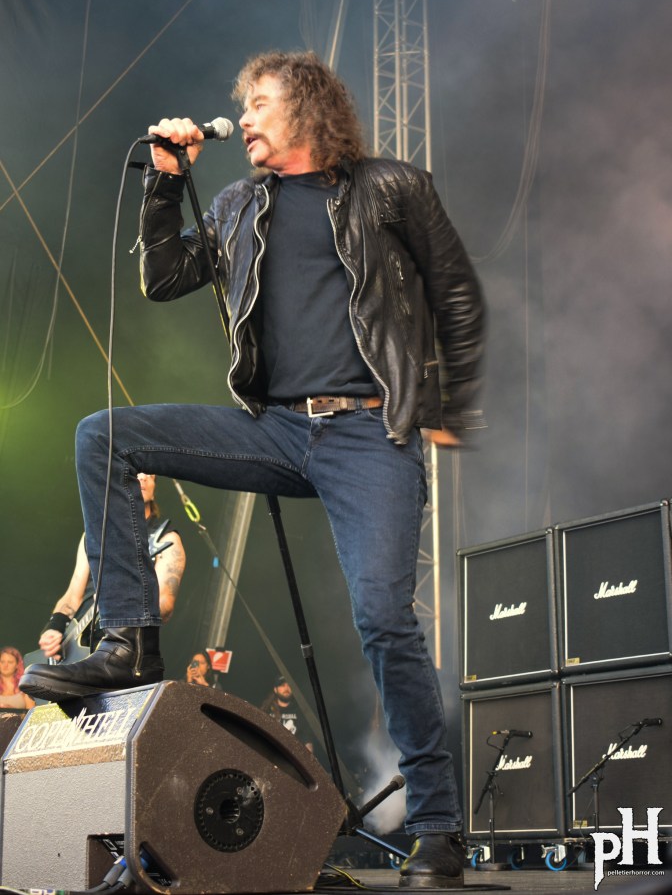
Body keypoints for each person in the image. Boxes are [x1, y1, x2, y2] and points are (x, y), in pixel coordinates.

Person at [21, 50, 485, 888]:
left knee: (385, 618)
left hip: (369, 431)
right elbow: (164, 277)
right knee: (105, 435)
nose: (244, 118)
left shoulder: (391, 188)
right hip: (274, 429)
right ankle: (129, 639)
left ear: (306, 106)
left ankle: (437, 824)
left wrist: (451, 403)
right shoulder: (240, 203)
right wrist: (165, 184)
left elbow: (454, 291)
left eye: (259, 102)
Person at [38, 472, 186, 663]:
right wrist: (54, 626)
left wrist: (122, 603)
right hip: (74, 648)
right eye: (135, 472)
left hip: (119, 651)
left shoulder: (166, 540)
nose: (143, 478)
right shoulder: (94, 533)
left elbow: (164, 605)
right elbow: (73, 595)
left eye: (150, 475)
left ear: (153, 489)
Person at [260, 675, 313, 751]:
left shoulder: (300, 711)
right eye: (282, 685)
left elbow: (307, 740)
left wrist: (308, 756)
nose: (286, 688)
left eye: (289, 685)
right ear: (275, 689)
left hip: (292, 754)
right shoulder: (266, 710)